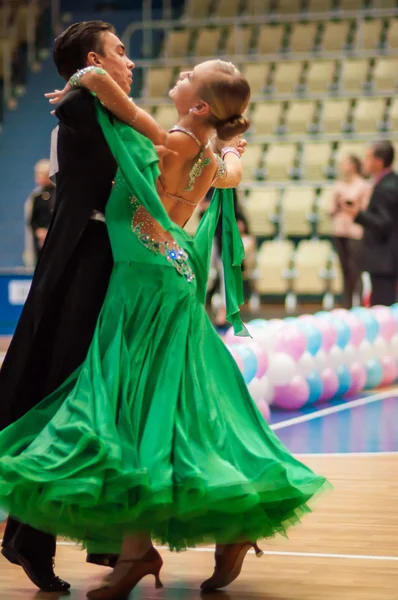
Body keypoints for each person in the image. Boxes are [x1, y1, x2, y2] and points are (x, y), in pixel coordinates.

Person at [0, 60, 329, 600]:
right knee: (169, 411)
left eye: (188, 76)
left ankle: (139, 552)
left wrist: (90, 78)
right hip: (172, 275)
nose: (177, 74)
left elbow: (133, 119)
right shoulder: (206, 150)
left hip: (142, 286)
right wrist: (231, 152)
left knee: (133, 411)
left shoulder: (173, 141)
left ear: (198, 105)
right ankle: (201, 531)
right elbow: (232, 174)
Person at [0, 20, 153, 592]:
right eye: (119, 52)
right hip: (84, 270)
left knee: (108, 406)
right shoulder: (80, 109)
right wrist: (85, 84)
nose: (129, 62)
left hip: (118, 268)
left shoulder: (98, 106)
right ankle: (30, 536)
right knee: (65, 402)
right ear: (93, 61)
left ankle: (106, 540)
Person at [343, 141, 398, 306]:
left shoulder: (387, 187)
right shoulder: (388, 182)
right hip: (385, 259)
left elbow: (384, 224)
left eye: (367, 158)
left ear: (379, 161)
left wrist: (358, 215)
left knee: (382, 305)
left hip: (384, 259)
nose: (364, 162)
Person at [330, 155, 371, 308]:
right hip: (340, 230)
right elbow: (331, 210)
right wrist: (337, 202)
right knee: (344, 269)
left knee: (356, 268)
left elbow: (366, 209)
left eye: (345, 163)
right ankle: (346, 303)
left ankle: (358, 303)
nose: (342, 167)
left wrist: (352, 206)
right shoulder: (338, 185)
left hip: (355, 231)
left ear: (353, 165)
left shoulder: (363, 185)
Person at [27, 159, 56, 264]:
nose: (37, 176)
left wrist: (48, 230)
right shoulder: (36, 196)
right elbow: (32, 220)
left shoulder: (58, 194)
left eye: (40, 173)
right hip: (40, 241)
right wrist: (38, 231)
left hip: (55, 239)